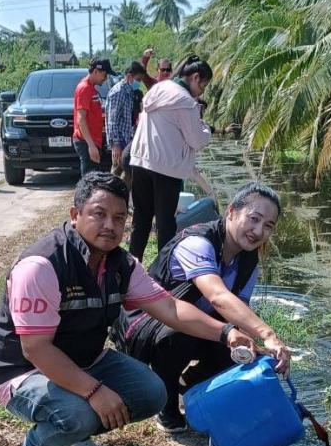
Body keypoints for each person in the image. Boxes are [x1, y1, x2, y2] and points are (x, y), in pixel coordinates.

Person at [0, 171, 255, 446]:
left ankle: (75, 433)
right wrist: (95, 391)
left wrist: (226, 333)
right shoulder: (42, 266)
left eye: (119, 217)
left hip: (86, 359)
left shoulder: (121, 264)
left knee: (152, 393)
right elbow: (36, 349)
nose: (110, 225)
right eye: (99, 214)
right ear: (75, 214)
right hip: (22, 369)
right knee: (80, 411)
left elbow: (170, 308)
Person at [118, 181, 291, 431]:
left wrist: (259, 344)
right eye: (254, 218)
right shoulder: (198, 242)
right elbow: (218, 296)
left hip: (199, 323)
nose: (258, 230)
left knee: (242, 350)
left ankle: (190, 387)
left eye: (268, 226)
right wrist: (267, 334)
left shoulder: (248, 259)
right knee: (179, 338)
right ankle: (166, 407)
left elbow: (235, 309)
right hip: (147, 324)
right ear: (231, 211)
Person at [127, 54, 216, 260]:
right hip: (167, 169)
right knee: (166, 224)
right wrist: (206, 128)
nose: (201, 91)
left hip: (141, 162)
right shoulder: (185, 101)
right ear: (194, 77)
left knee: (141, 220)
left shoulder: (158, 88)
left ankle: (132, 269)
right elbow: (196, 140)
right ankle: (164, 272)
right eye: (203, 86)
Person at [105, 60, 146, 172]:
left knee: (128, 179)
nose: (139, 83)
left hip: (128, 142)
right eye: (138, 80)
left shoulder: (131, 92)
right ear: (129, 77)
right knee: (117, 177)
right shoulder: (118, 92)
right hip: (120, 143)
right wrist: (116, 145)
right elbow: (112, 121)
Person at [73, 58, 111, 176]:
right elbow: (81, 118)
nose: (105, 79)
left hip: (93, 141)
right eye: (104, 75)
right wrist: (91, 145)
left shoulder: (91, 89)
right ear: (96, 71)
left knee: (94, 181)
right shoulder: (84, 88)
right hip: (86, 142)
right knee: (89, 183)